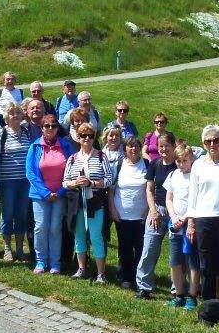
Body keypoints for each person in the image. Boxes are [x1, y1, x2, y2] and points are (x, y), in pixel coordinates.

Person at [186, 125, 219, 311]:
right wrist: (191, 223)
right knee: (206, 263)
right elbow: (193, 194)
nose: (212, 144)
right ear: (203, 143)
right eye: (208, 141)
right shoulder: (198, 164)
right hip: (203, 219)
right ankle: (208, 303)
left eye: (216, 140)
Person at [26, 114, 74, 274]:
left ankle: (55, 262)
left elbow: (71, 170)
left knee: (55, 227)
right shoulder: (35, 147)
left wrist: (59, 191)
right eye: (47, 126)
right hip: (40, 195)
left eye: (54, 126)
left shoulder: (66, 146)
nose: (51, 129)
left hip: (60, 194)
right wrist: (46, 193)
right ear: (42, 128)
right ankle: (40, 261)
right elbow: (30, 172)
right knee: (40, 227)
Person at [65, 121, 112, 281]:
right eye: (83, 136)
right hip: (78, 202)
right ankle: (81, 268)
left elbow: (109, 179)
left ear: (94, 138)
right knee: (79, 235)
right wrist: (75, 183)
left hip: (95, 202)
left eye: (90, 136)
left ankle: (101, 273)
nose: (86, 139)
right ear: (78, 138)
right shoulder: (72, 158)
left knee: (96, 236)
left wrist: (91, 183)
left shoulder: (100, 156)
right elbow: (65, 182)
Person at [135, 132, 177, 297]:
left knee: (176, 252)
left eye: (167, 145)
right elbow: (149, 189)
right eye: (160, 146)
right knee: (149, 248)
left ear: (173, 146)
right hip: (158, 209)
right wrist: (152, 210)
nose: (164, 149)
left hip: (175, 211)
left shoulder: (179, 165)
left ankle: (178, 288)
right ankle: (144, 286)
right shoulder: (154, 164)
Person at [110, 136, 150, 288]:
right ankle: (125, 276)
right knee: (124, 247)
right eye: (130, 146)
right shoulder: (119, 165)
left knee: (140, 248)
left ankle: (139, 276)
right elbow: (112, 191)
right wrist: (112, 210)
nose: (133, 149)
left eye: (136, 146)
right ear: (125, 149)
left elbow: (150, 189)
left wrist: (148, 210)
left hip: (142, 215)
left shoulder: (146, 164)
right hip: (122, 215)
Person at [164, 144, 200, 309]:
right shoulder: (173, 175)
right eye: (178, 160)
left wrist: (185, 218)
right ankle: (179, 294)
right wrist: (173, 216)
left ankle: (192, 296)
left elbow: (197, 201)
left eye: (184, 160)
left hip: (190, 223)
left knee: (192, 260)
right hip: (175, 223)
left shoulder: (195, 176)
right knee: (175, 261)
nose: (181, 164)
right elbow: (169, 198)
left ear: (191, 159)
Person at [0, 102, 32, 263]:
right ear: (6, 117)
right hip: (7, 181)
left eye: (18, 113)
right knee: (7, 214)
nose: (15, 116)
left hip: (24, 182)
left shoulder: (26, 132)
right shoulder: (1, 133)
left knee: (21, 214)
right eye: (12, 113)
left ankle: (19, 248)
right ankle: (7, 248)